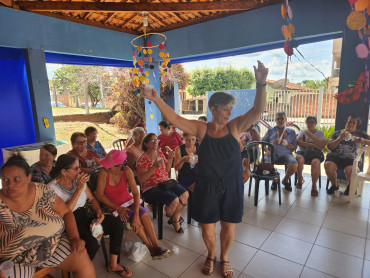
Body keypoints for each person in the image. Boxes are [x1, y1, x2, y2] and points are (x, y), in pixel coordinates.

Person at [139, 60, 268, 278]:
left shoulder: (235, 126)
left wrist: (261, 84)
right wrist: (156, 98)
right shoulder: (201, 128)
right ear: (212, 109)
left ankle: (224, 256)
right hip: (207, 185)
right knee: (207, 228)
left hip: (231, 185)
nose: (229, 112)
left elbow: (257, 110)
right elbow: (175, 118)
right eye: (225, 108)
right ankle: (210, 254)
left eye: (231, 109)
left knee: (228, 227)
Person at [0, 155, 95, 278]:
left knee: (81, 255)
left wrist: (74, 238)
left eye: (16, 179)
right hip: (15, 260)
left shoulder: (42, 190)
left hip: (52, 245)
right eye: (5, 180)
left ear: (29, 177)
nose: (10, 184)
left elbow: (66, 213)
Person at [48, 154, 131, 277]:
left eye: (79, 167)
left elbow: (92, 198)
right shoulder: (52, 189)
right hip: (69, 221)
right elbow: (65, 212)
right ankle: (80, 270)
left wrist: (98, 211)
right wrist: (78, 189)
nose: (79, 171)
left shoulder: (77, 180)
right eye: (75, 168)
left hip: (86, 213)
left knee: (117, 224)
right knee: (91, 243)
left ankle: (113, 264)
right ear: (64, 171)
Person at [96, 150, 171, 259]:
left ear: (120, 165)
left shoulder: (127, 171)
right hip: (113, 206)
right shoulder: (103, 172)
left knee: (143, 214)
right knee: (134, 220)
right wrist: (118, 208)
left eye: (110, 165)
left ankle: (157, 247)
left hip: (128, 201)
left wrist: (136, 214)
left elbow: (136, 193)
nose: (106, 166)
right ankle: (151, 249)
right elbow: (99, 195)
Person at [136, 133, 189, 233]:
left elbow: (167, 170)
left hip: (165, 182)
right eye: (153, 140)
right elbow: (141, 179)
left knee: (185, 194)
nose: (156, 142)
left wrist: (170, 159)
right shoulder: (141, 160)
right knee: (174, 200)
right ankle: (174, 218)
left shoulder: (159, 153)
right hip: (150, 186)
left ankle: (175, 219)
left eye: (157, 140)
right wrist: (153, 167)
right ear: (146, 144)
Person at [325, 115, 370, 195]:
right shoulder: (337, 133)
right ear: (345, 123)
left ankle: (351, 186)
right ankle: (334, 185)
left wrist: (360, 140)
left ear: (356, 125)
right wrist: (340, 137)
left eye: (354, 123)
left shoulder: (361, 134)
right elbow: (329, 147)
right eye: (349, 122)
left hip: (352, 159)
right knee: (328, 165)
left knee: (350, 170)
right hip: (335, 157)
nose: (351, 124)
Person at [262, 112, 298, 191]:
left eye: (282, 118)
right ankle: (275, 179)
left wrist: (286, 144)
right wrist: (267, 150)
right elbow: (263, 143)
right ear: (275, 120)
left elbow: (295, 146)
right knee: (265, 162)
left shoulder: (291, 132)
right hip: (272, 154)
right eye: (278, 119)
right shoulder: (270, 131)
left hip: (286, 154)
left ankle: (285, 180)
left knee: (294, 165)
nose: (280, 120)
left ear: (286, 120)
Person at [296, 116, 325, 197]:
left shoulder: (320, 133)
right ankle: (299, 180)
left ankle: (314, 186)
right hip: (303, 152)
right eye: (307, 122)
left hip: (316, 154)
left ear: (315, 123)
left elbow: (322, 145)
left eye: (311, 122)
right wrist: (314, 145)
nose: (309, 124)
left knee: (315, 162)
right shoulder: (302, 131)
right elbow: (300, 143)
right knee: (299, 159)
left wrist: (311, 136)